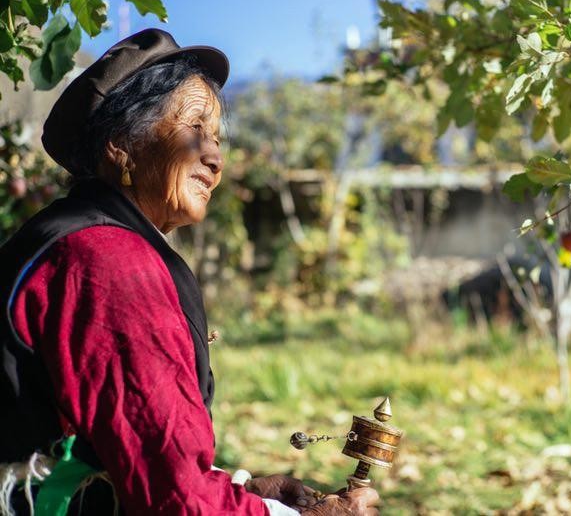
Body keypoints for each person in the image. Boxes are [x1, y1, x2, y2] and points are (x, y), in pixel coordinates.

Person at [0, 29, 380, 515]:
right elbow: (176, 500)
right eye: (194, 127)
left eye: (218, 138)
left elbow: (123, 449)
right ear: (122, 145)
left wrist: (247, 495)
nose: (216, 158)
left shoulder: (73, 238)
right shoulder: (106, 262)